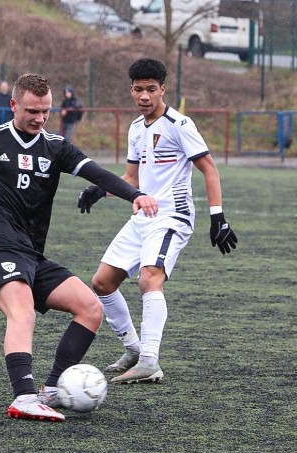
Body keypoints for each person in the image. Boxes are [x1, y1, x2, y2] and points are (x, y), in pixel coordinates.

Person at [0, 73, 158, 422]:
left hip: (31, 254)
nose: (40, 118)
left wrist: (135, 195)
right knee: (22, 310)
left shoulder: (55, 146)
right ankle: (24, 396)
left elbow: (97, 173)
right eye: (32, 110)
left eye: (46, 111)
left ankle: (53, 389)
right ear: (13, 105)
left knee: (90, 307)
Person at [77, 57, 239, 384]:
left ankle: (150, 360)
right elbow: (132, 177)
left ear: (163, 89)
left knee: (150, 278)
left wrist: (218, 217)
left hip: (172, 216)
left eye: (152, 89)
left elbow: (209, 168)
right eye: (138, 90)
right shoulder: (136, 129)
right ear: (131, 90)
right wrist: (101, 189)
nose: (144, 97)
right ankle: (134, 349)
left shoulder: (180, 126)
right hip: (142, 215)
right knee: (102, 283)